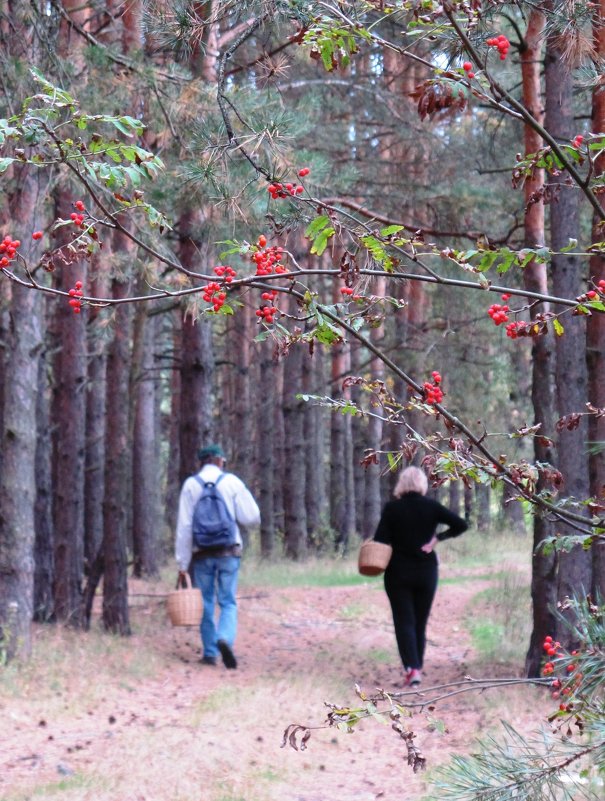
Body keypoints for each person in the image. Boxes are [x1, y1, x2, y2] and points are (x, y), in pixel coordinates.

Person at [373, 465, 468, 686]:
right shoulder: (431, 507)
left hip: (397, 572)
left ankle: (412, 669)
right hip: (426, 572)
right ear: (422, 484)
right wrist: (437, 539)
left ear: (401, 484)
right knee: (420, 622)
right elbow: (461, 524)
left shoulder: (392, 509)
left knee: (403, 621)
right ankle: (418, 666)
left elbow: (380, 539)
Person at [175, 444, 260, 669]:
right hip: (228, 550)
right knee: (228, 601)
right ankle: (225, 638)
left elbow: (184, 527)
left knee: (205, 602)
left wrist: (182, 563)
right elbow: (252, 517)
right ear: (220, 461)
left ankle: (210, 652)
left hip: (202, 552)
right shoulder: (231, 482)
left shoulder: (191, 485)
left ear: (201, 462)